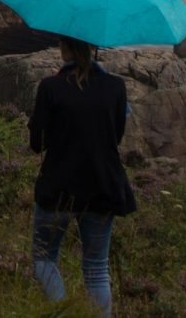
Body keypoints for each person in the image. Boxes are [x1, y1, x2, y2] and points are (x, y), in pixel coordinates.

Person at [27, 35, 136, 313]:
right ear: (92, 47)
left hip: (57, 190)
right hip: (103, 187)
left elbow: (36, 142)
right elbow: (117, 136)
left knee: (45, 259)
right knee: (97, 269)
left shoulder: (51, 87)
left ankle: (62, 312)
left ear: (65, 47)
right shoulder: (116, 87)